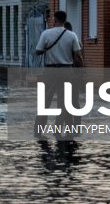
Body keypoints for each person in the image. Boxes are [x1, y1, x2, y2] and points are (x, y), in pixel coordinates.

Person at [34, 11, 84, 140]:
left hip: (50, 71)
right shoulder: (71, 35)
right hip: (67, 70)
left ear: (55, 19)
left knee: (45, 100)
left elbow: (38, 51)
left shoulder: (46, 34)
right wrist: (81, 72)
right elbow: (78, 56)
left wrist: (48, 49)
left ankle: (39, 131)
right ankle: (58, 130)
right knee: (64, 102)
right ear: (64, 20)